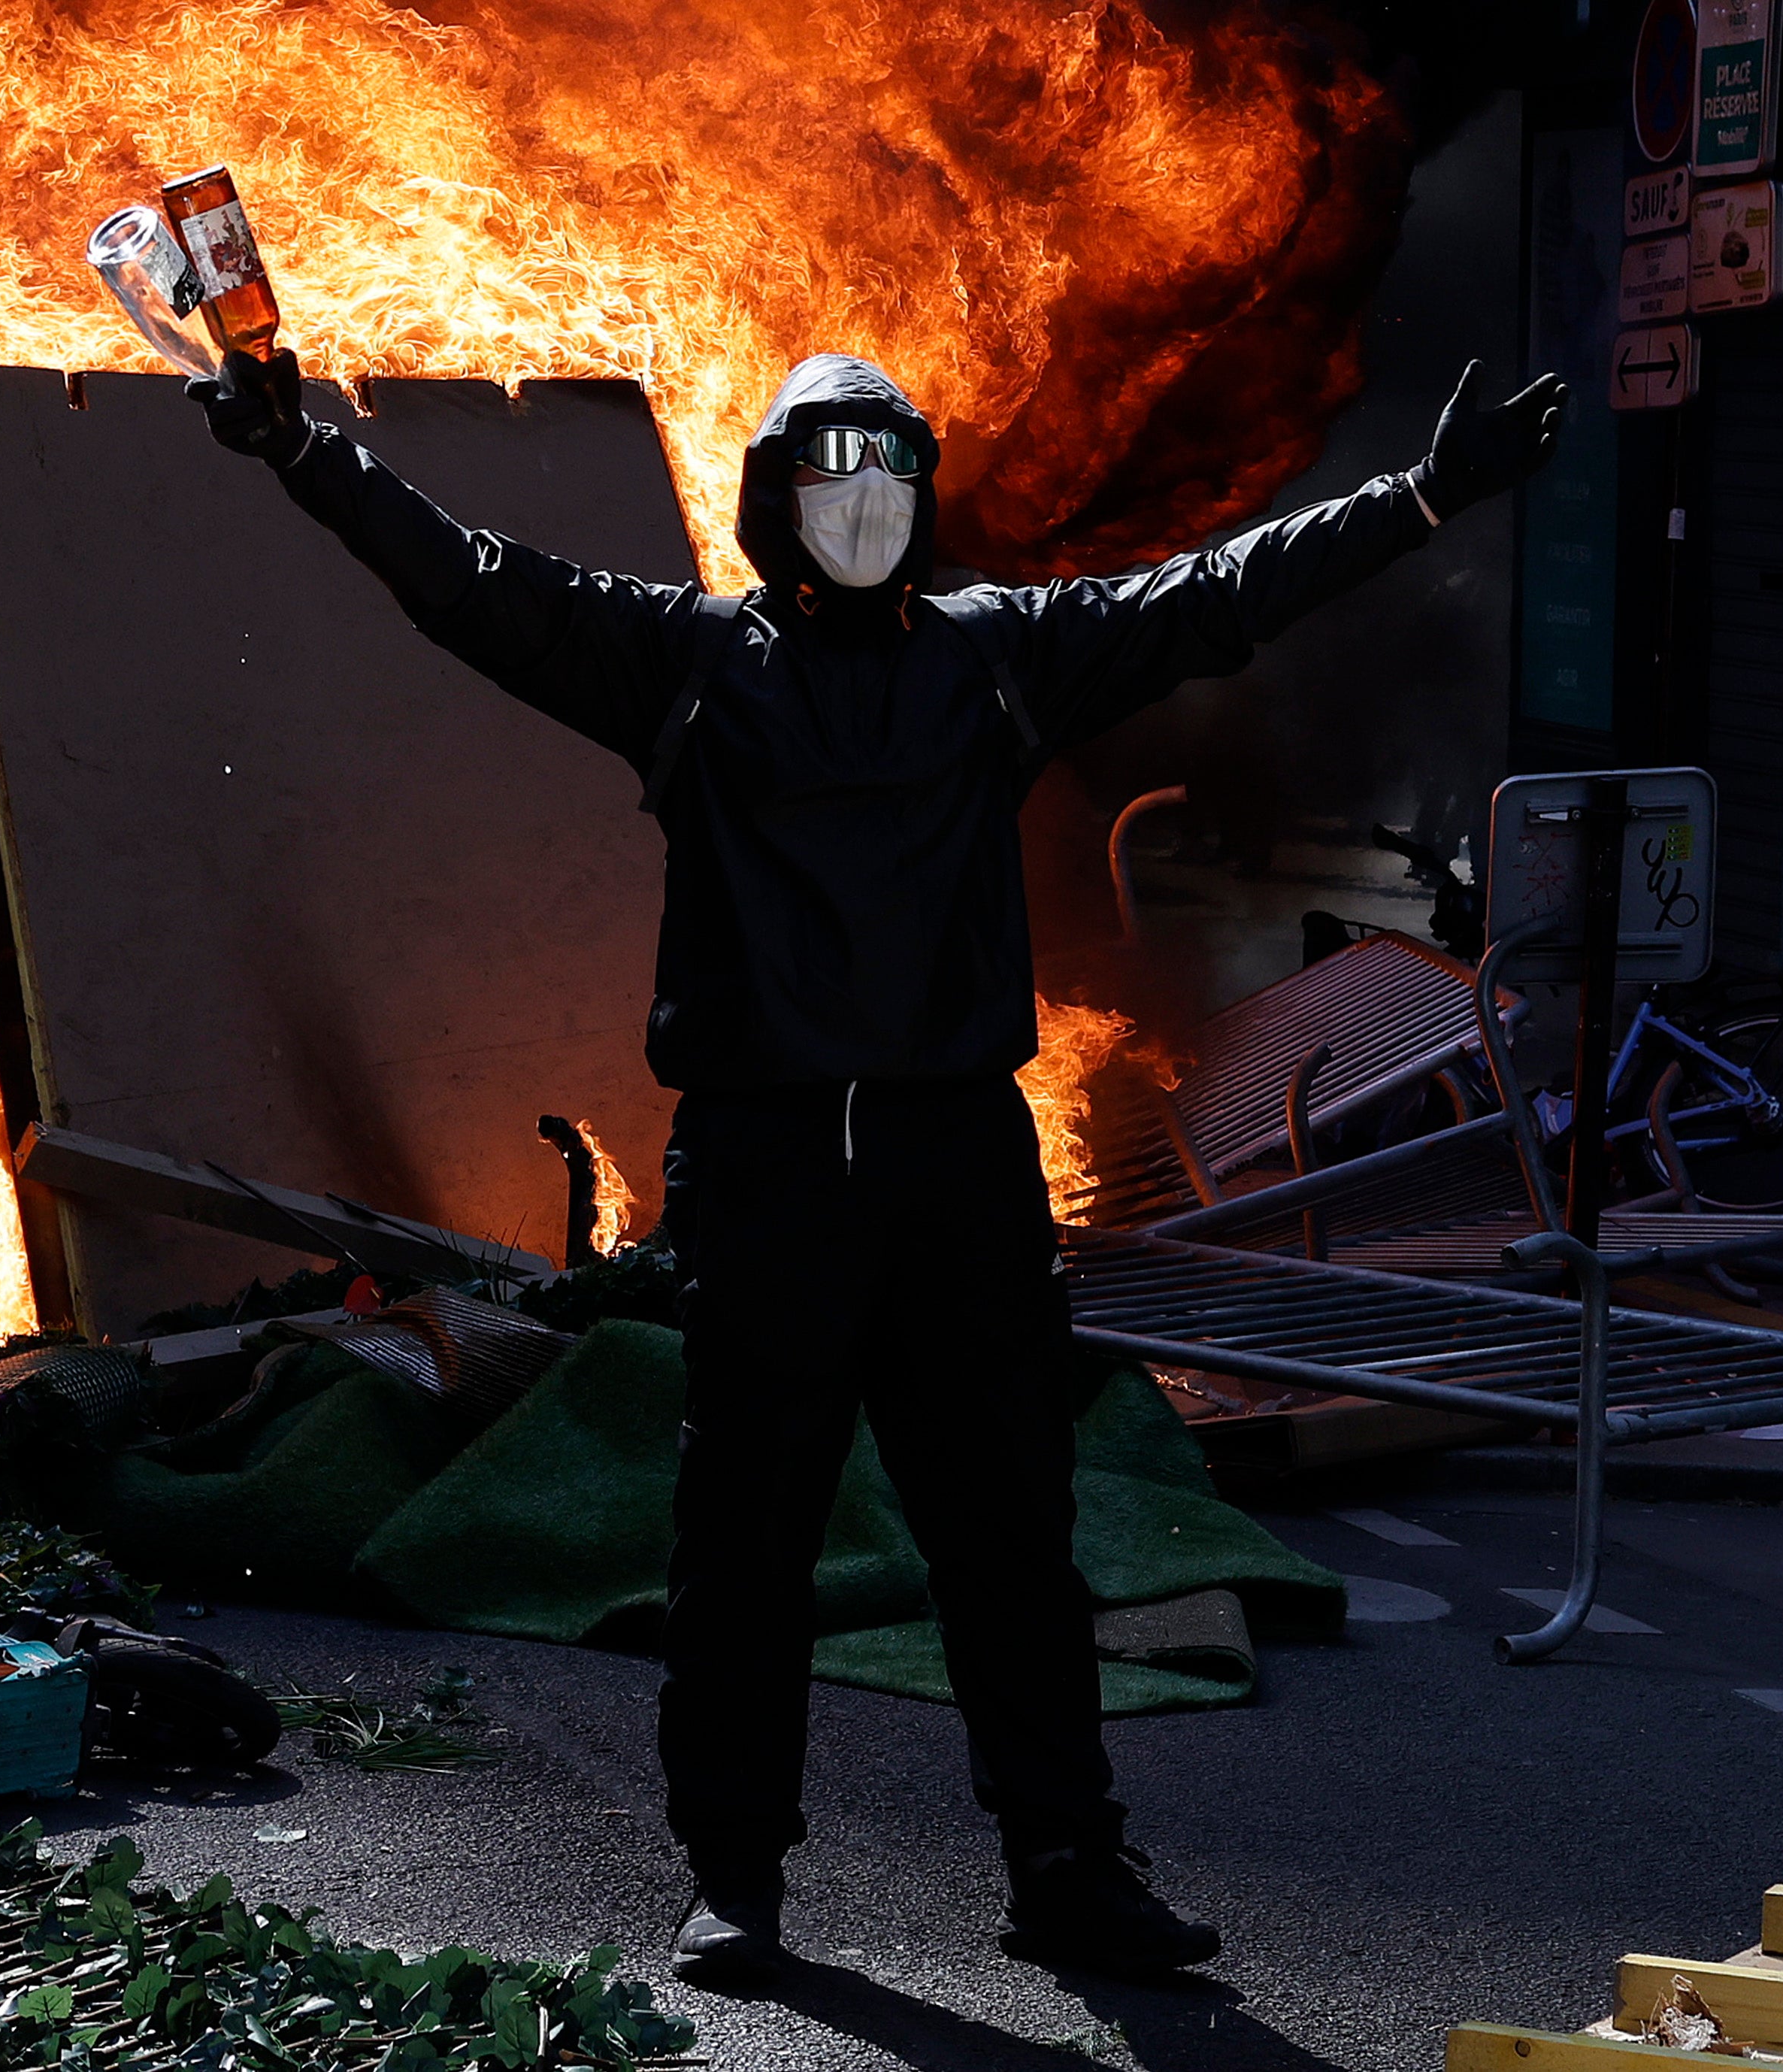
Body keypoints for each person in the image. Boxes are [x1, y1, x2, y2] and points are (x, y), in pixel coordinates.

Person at [190, 347, 1565, 1986]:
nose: (861, 506)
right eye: (830, 477)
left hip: (955, 1161)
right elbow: (470, 583)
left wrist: (1419, 493)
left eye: (890, 478)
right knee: (745, 1533)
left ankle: (1067, 1866)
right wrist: (301, 451)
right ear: (776, 501)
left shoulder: (998, 658)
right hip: (768, 1165)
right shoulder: (683, 662)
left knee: (1010, 1530)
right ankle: (736, 1878)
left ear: (921, 501)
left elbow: (1215, 593)